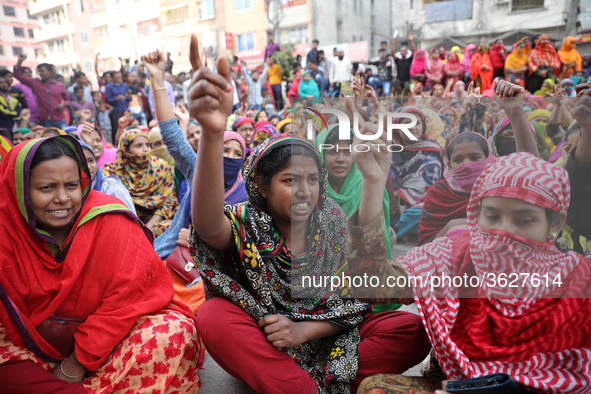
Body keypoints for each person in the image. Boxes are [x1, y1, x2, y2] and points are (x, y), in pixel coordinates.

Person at [185, 41, 431, 392]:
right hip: (269, 345)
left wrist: (303, 329)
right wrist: (211, 132)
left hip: (333, 344)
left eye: (313, 180)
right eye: (290, 180)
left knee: (411, 329)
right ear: (262, 186)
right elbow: (208, 225)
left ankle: (293, 383)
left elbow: (361, 295)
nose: (305, 190)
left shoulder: (330, 225)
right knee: (212, 316)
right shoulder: (247, 222)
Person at [0, 135, 201, 393]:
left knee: (171, 334)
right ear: (20, 190)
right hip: (31, 345)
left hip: (111, 341)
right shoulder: (7, 230)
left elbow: (127, 299)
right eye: (47, 187)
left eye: (71, 185)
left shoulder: (110, 219)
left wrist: (75, 363)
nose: (62, 198)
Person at [102, 129, 178, 237]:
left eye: (147, 145)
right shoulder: (111, 173)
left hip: (153, 224)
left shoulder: (160, 167)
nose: (146, 149)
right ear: (125, 150)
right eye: (138, 146)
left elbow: (168, 203)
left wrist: (145, 229)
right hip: (125, 225)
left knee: (170, 226)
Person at [389, 106, 445, 241]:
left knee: (420, 213)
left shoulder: (432, 149)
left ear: (423, 126)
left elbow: (428, 186)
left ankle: (392, 232)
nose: (413, 127)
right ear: (397, 126)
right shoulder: (387, 148)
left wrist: (397, 195)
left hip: (417, 205)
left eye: (417, 123)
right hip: (387, 202)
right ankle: (400, 232)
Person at [14, 55, 70, 130]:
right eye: (39, 71)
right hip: (45, 121)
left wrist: (63, 104)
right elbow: (18, 75)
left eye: (42, 71)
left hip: (60, 120)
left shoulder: (60, 85)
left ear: (50, 72)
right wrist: (19, 61)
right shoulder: (36, 83)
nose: (40, 73)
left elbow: (68, 100)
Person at [104, 71, 131, 141]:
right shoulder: (108, 87)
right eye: (116, 78)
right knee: (117, 128)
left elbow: (130, 98)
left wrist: (128, 97)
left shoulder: (125, 86)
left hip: (125, 109)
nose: (118, 79)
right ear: (112, 78)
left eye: (119, 77)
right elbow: (107, 99)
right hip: (116, 111)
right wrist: (116, 98)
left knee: (128, 127)